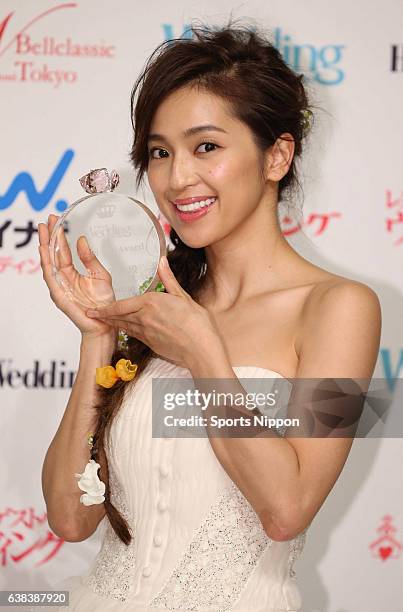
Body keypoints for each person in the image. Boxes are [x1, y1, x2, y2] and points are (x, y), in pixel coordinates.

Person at [37, 22, 381, 612]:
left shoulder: (343, 309)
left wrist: (205, 356)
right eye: (160, 151)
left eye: (207, 147)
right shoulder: (153, 303)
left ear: (276, 155)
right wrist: (98, 339)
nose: (176, 179)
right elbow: (71, 519)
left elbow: (286, 511)